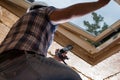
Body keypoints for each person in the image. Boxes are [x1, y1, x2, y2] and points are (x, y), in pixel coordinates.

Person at [0, 0, 110, 80]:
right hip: (21, 61)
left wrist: (56, 59)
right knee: (70, 77)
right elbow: (69, 13)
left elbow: (35, 67)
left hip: (5, 66)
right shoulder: (43, 11)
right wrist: (100, 3)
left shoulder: (20, 23)